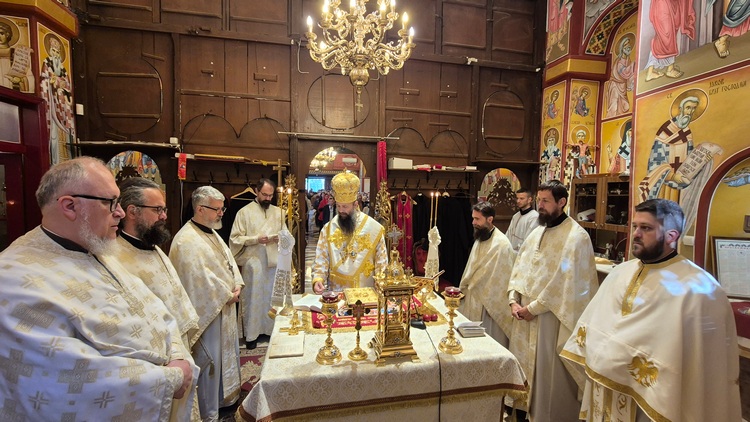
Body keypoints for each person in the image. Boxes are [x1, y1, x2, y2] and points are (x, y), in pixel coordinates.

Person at [0, 157, 196, 420]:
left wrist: (177, 353)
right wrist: (169, 378)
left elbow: (155, 308)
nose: (121, 213)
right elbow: (64, 380)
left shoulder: (97, 251)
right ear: (70, 206)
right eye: (110, 202)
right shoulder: (13, 280)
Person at [561, 199, 741, 421]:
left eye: (646, 228)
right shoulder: (621, 272)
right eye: (635, 226)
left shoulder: (699, 290)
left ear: (671, 236)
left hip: (653, 402)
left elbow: (701, 367)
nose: (636, 234)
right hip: (604, 386)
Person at [110, 176, 201, 421]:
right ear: (132, 212)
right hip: (155, 360)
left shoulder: (154, 247)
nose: (163, 216)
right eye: (158, 210)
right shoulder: (116, 258)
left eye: (164, 210)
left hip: (179, 347)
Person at [505, 180, 598, 421]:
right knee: (524, 374)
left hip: (551, 318)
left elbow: (565, 283)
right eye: (539, 200)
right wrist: (513, 299)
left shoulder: (576, 237)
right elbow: (519, 267)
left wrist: (533, 308)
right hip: (523, 316)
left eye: (546, 201)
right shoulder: (536, 232)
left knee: (547, 377)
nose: (540, 205)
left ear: (562, 202)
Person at [169, 186, 244, 421]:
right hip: (208, 313)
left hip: (225, 306)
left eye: (222, 209)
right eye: (217, 209)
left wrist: (237, 284)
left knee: (225, 355)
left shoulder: (211, 233)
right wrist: (227, 294)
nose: (221, 213)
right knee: (211, 359)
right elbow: (198, 279)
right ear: (200, 209)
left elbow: (229, 263)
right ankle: (210, 409)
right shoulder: (185, 240)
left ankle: (227, 398)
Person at [229, 178, 285, 350]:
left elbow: (287, 235)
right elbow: (235, 239)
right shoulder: (244, 213)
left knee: (272, 297)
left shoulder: (279, 213)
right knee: (254, 298)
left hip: (273, 264)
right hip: (254, 264)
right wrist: (255, 239)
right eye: (264, 195)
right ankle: (252, 334)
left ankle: (271, 330)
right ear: (256, 191)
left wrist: (281, 238)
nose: (268, 198)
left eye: (271, 195)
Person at [312, 171, 388, 294]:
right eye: (338, 206)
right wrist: (318, 279)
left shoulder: (374, 228)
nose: (341, 211)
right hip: (336, 294)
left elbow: (382, 264)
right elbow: (321, 258)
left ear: (355, 204)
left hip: (365, 294)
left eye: (345, 207)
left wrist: (381, 288)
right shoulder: (328, 229)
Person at [458, 202, 515, 347]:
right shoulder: (480, 238)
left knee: (489, 342)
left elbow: (502, 277)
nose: (473, 223)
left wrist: (476, 287)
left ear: (489, 219)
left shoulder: (502, 244)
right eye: (473, 218)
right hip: (473, 297)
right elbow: (471, 267)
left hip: (490, 303)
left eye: (477, 219)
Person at [40, 34, 75, 164]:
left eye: (57, 52)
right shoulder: (47, 63)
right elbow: (44, 79)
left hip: (62, 105)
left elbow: (67, 84)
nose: (55, 54)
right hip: (52, 106)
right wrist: (52, 82)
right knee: (53, 133)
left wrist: (61, 84)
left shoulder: (62, 68)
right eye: (53, 51)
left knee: (64, 136)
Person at [505, 188, 539, 252]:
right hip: (511, 253)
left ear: (529, 200)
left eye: (521, 198)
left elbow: (529, 241)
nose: (518, 201)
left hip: (524, 253)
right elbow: (508, 235)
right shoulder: (516, 216)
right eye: (517, 198)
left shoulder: (534, 217)